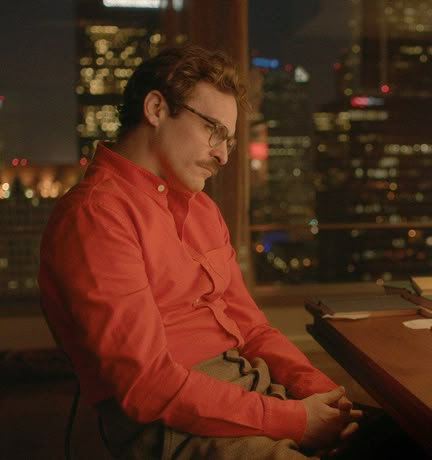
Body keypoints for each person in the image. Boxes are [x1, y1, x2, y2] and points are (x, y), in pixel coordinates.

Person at [38, 44, 362, 459]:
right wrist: (297, 420)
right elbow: (146, 385)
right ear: (156, 109)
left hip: (250, 390)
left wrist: (324, 398)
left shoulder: (202, 209)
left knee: (405, 440)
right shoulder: (97, 215)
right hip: (172, 425)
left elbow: (254, 330)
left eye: (228, 139)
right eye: (214, 130)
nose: (223, 155)